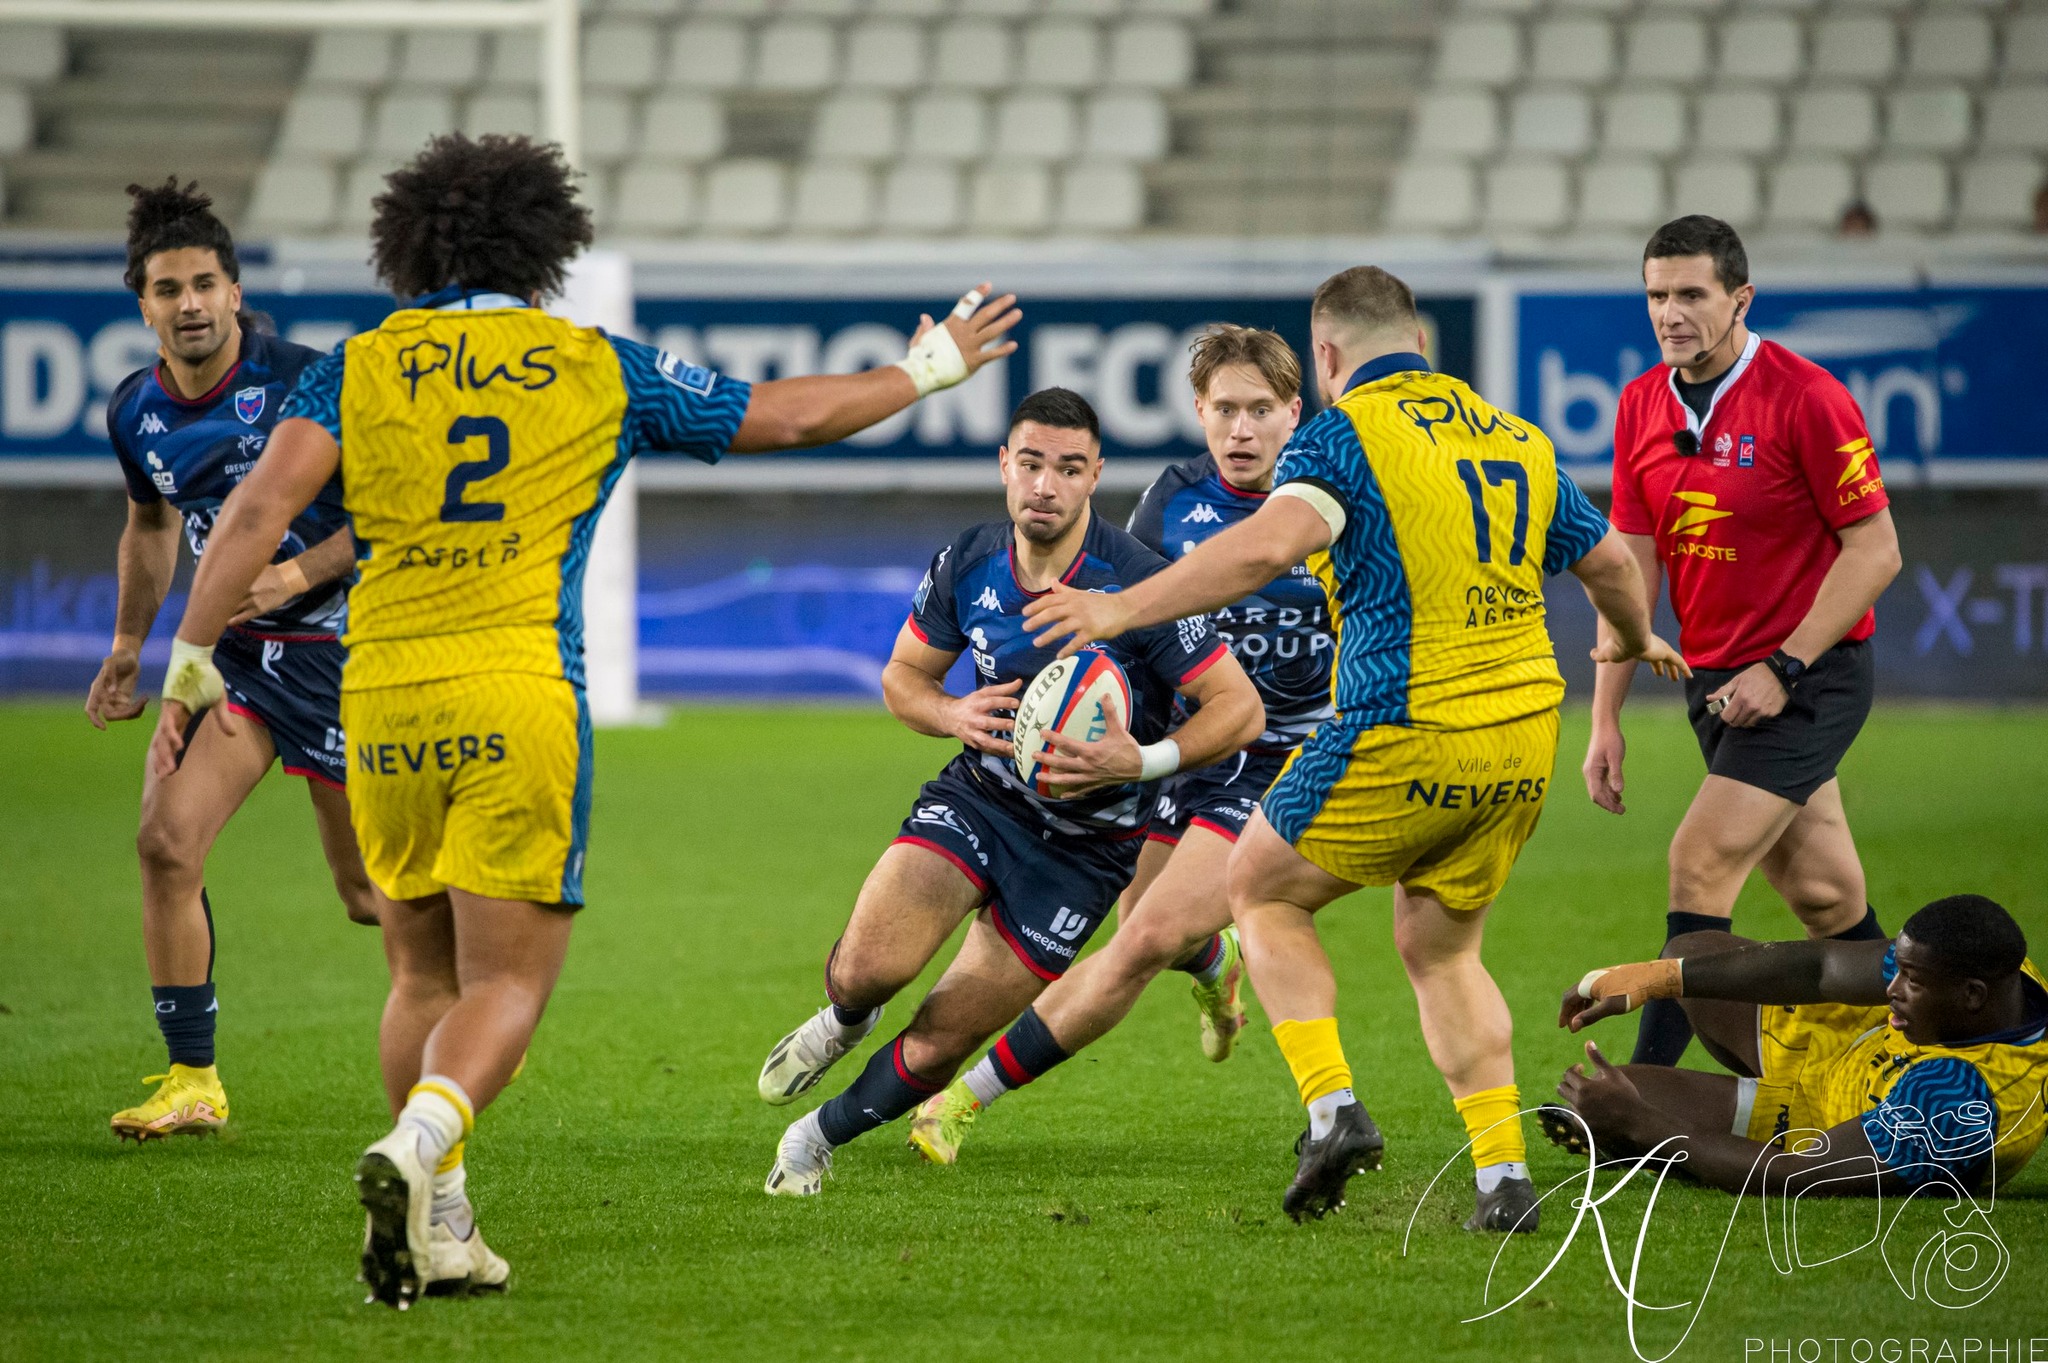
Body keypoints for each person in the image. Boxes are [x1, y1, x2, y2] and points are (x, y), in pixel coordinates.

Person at [144, 132, 1021, 1307]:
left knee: (418, 972)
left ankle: (444, 1217)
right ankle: (418, 1146)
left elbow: (254, 511)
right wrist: (924, 370)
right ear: (546, 242)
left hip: (383, 694)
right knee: (506, 983)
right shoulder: (591, 364)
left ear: (408, 244)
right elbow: (788, 418)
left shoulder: (353, 365)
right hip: (516, 690)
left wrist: (190, 664)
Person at [1021, 266, 1688, 1230]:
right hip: (1520, 742)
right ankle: (1502, 1180)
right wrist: (1628, 638)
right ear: (1420, 341)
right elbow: (1615, 565)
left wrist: (1119, 604)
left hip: (1405, 723)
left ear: (1324, 359)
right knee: (1441, 946)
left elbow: (1262, 548)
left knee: (1261, 887)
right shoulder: (1519, 439)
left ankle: (1333, 1112)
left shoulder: (1342, 435)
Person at [756, 387, 1265, 1198]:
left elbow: (1241, 707)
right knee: (864, 969)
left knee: (939, 1042)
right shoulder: (969, 559)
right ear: (1004, 466)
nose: (1045, 485)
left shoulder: (1140, 585)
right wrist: (952, 709)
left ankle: (813, 1140)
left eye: (1068, 468)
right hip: (980, 798)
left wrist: (1141, 761)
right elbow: (901, 678)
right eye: (1030, 463)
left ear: (1095, 475)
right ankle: (844, 1022)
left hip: (1085, 854)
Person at [905, 324, 1325, 1165]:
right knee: (1148, 920)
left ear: (1294, 412)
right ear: (1199, 414)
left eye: (1261, 411)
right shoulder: (1170, 503)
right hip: (1184, 743)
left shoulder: (1332, 499)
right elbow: (1129, 622)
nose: (1241, 431)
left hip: (1284, 754)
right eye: (1224, 411)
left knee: (1138, 938)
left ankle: (959, 1101)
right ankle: (1216, 962)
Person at [89, 178, 376, 1144]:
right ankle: (193, 1078)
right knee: (166, 839)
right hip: (240, 659)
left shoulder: (308, 381)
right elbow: (149, 523)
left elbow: (393, 515)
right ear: (144, 305)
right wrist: (130, 647)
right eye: (169, 290)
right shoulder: (135, 412)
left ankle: (503, 965)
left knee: (368, 897)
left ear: (237, 290)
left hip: (344, 649)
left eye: (206, 282)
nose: (192, 304)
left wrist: (298, 574)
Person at [1588, 215, 1904, 1071]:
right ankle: (1922, 1049)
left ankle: (1643, 1098)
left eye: (1691, 293)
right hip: (1718, 681)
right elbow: (1632, 568)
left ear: (1740, 298)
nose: (1670, 312)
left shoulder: (1807, 396)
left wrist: (1786, 664)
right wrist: (1604, 718)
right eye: (1657, 294)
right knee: (1826, 893)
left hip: (1810, 675)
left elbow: (1876, 551)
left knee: (1697, 866)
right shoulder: (1640, 403)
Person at [1551, 894, 2048, 1195]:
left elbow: (1794, 1175)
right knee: (1688, 955)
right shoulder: (1995, 974)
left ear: (1973, 997)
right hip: (1841, 1046)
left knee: (1624, 1102)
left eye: (1911, 981)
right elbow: (1822, 967)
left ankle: (1653, 1134)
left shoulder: (1959, 1104)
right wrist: (1651, 980)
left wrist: (1644, 1126)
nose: (1893, 986)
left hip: (1825, 1123)